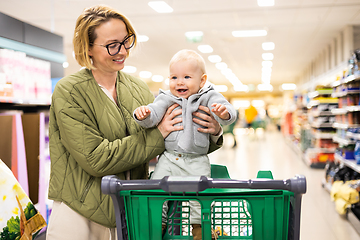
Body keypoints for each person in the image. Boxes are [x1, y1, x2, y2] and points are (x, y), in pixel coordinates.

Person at [46, 5, 223, 240]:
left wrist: (213, 131)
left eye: (126, 40)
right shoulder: (70, 91)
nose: (122, 51)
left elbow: (177, 141)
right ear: (88, 48)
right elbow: (95, 159)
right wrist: (158, 134)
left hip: (130, 210)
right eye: (112, 45)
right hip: (80, 212)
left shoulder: (138, 88)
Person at [133, 49, 237, 240]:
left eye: (187, 77)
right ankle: (158, 223)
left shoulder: (208, 96)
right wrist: (144, 114)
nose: (179, 82)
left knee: (200, 196)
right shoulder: (166, 98)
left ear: (202, 80)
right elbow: (153, 114)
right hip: (169, 158)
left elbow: (229, 112)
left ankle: (199, 229)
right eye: (174, 77)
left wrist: (224, 113)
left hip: (197, 160)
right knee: (157, 188)